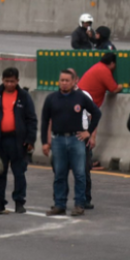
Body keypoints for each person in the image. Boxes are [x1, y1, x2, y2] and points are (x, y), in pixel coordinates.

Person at [40, 70, 102, 217]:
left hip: (76, 140)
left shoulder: (80, 97)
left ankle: (79, 204)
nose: (64, 83)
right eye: (62, 80)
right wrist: (45, 142)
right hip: (58, 140)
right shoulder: (52, 98)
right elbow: (44, 121)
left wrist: (89, 132)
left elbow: (97, 113)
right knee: (59, 174)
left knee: (80, 174)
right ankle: (59, 204)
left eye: (67, 80)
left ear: (74, 81)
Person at [0, 67, 37, 214]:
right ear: (2, 80)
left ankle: (19, 201)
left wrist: (30, 140)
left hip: (18, 142)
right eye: (7, 81)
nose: (9, 84)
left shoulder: (24, 97)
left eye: (12, 81)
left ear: (17, 81)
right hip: (0, 142)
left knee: (19, 173)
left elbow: (31, 119)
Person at [77, 53, 122, 209]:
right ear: (112, 63)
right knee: (83, 168)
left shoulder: (96, 68)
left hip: (86, 116)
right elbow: (114, 88)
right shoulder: (104, 71)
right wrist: (123, 86)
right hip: (87, 116)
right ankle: (83, 199)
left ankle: (81, 199)